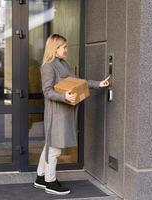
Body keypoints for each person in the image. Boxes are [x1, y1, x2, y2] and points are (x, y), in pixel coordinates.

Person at [33, 34, 110, 195]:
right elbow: (47, 92)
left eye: (66, 46)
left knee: (50, 145)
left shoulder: (63, 64)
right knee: (55, 148)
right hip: (56, 114)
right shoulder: (48, 66)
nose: (66, 50)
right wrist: (64, 96)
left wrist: (98, 84)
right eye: (64, 47)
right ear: (55, 48)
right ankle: (50, 182)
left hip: (65, 112)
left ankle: (40, 178)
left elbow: (78, 83)